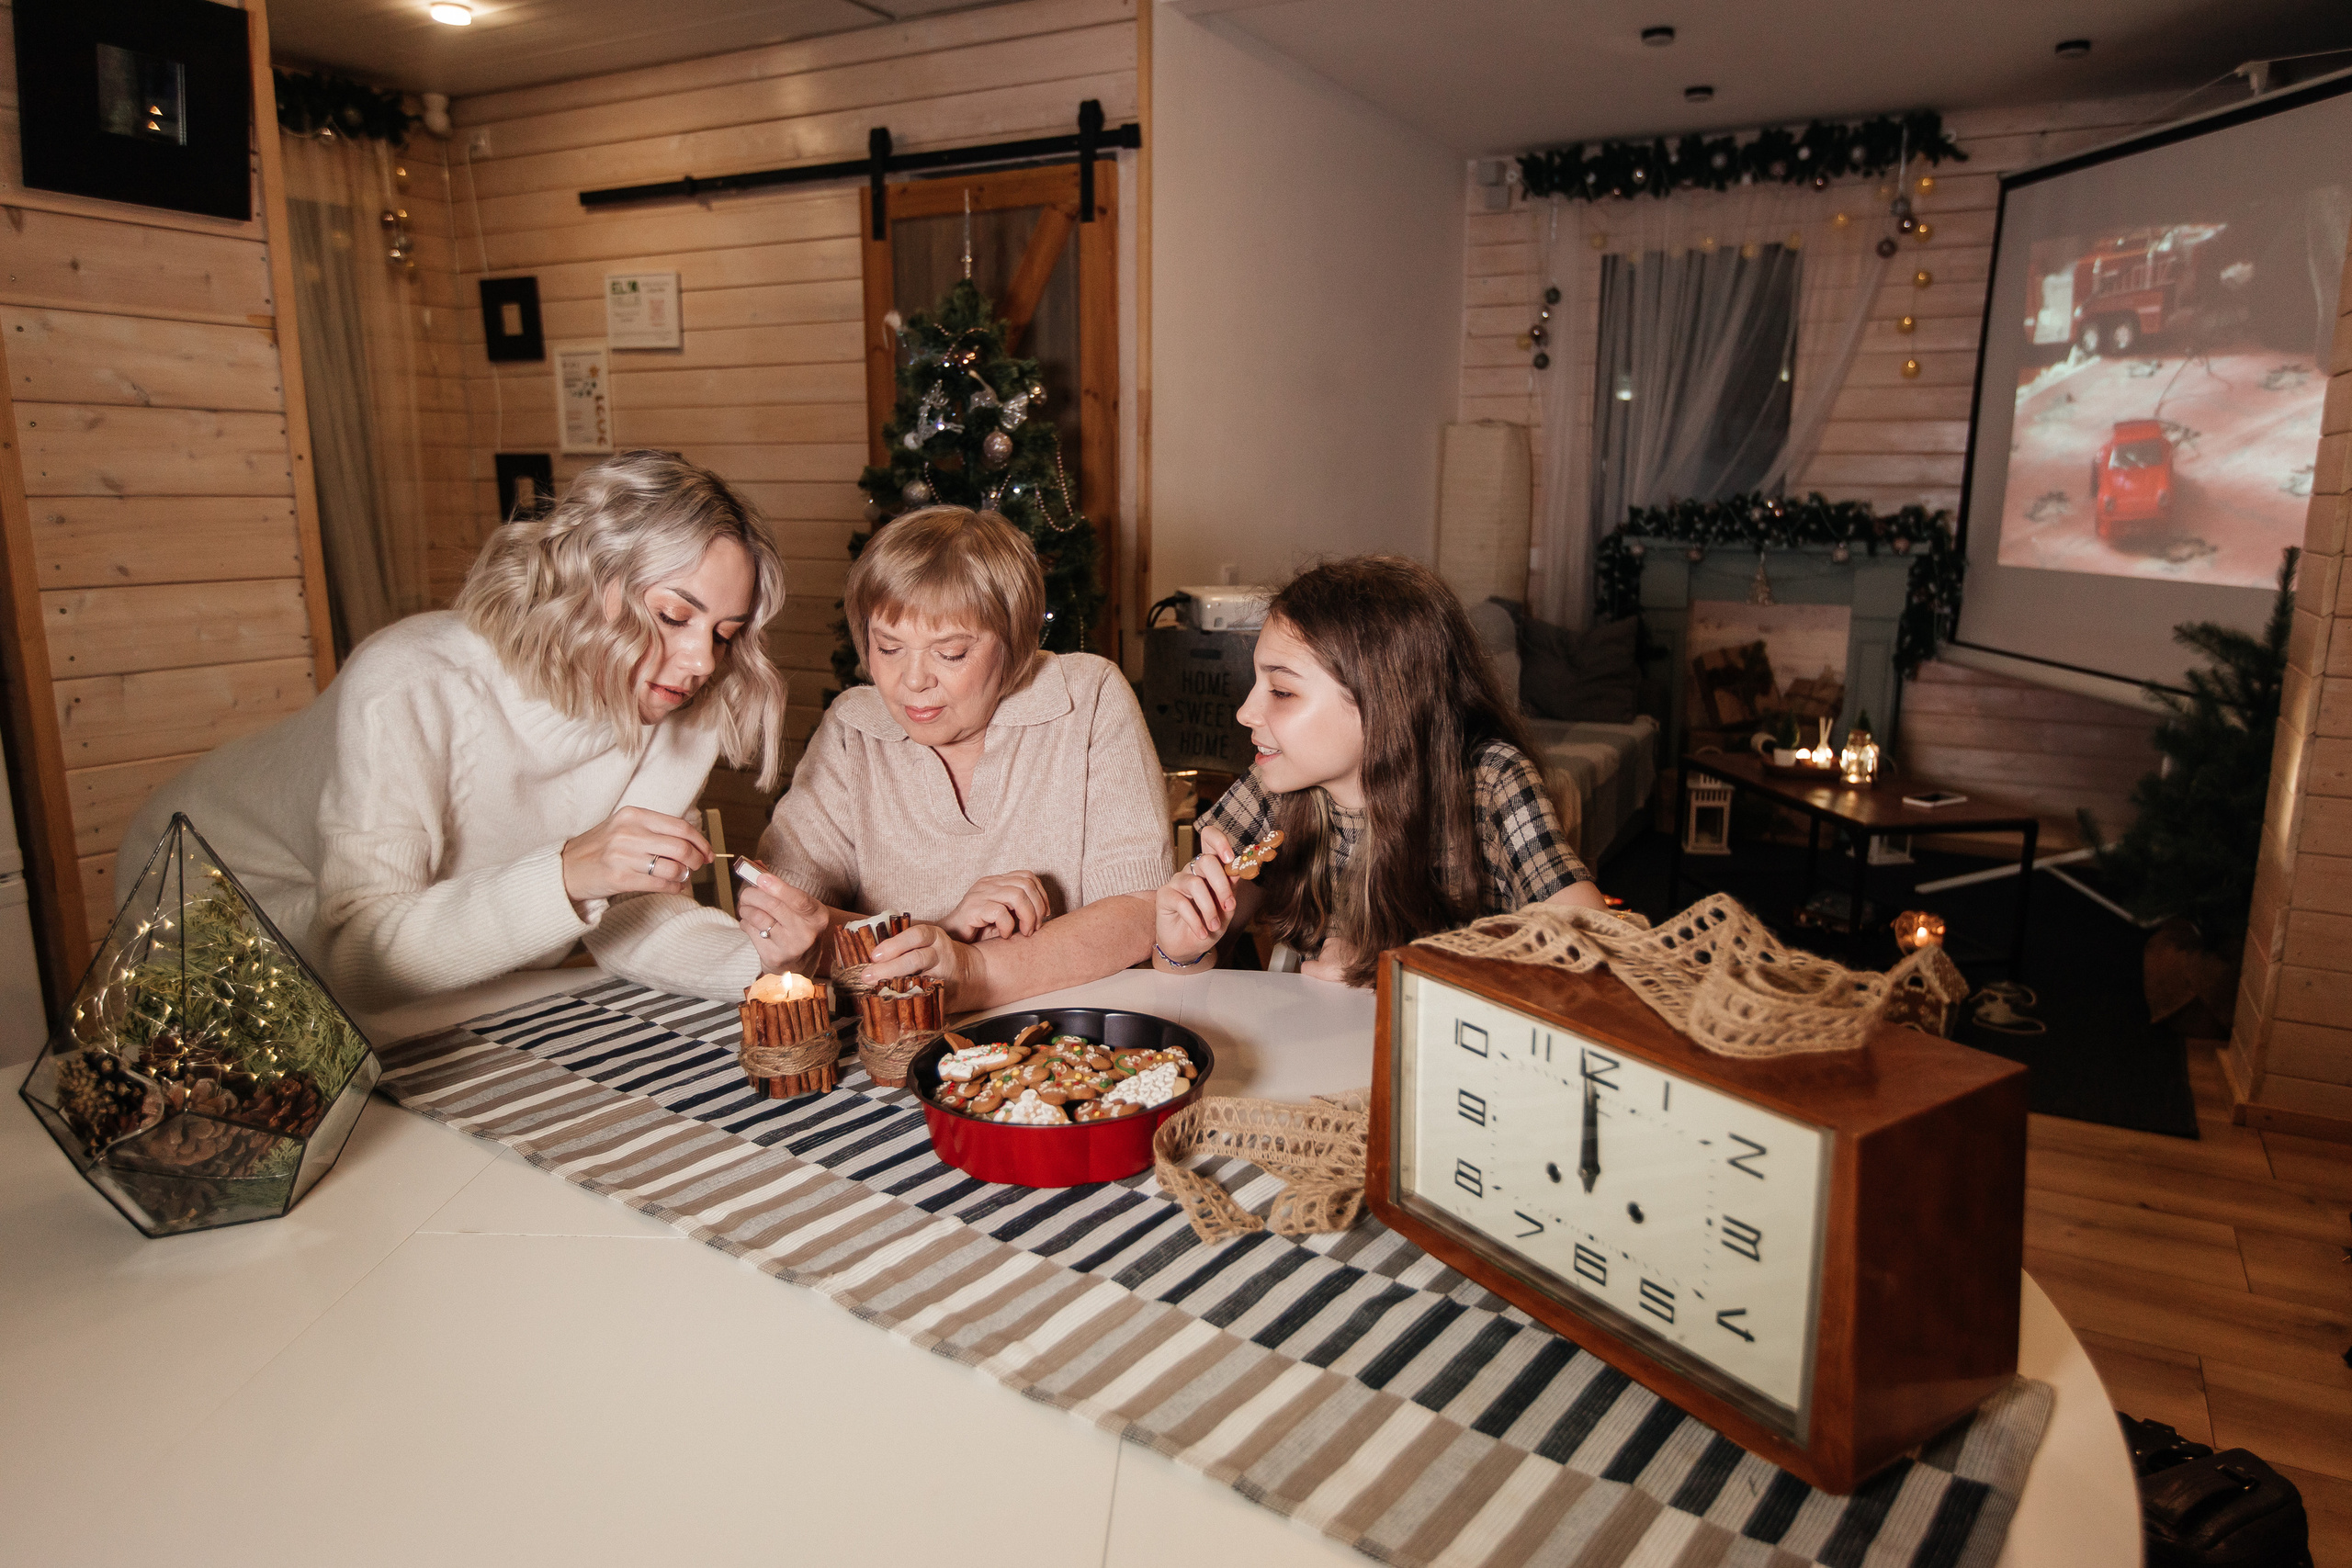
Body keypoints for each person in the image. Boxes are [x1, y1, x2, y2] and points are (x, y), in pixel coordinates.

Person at [117, 451, 793, 1010]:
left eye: (725, 634)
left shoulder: (681, 709)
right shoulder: (411, 682)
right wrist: (566, 873)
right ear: (593, 582)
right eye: (675, 616)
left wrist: (767, 962)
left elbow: (624, 919)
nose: (703, 661)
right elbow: (357, 956)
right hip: (210, 885)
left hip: (400, 960)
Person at [748, 506, 1169, 1010]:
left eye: (949, 653)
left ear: (1014, 642)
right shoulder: (852, 728)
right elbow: (791, 918)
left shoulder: (1088, 697)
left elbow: (1141, 914)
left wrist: (972, 969)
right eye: (888, 648)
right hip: (897, 1047)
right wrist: (939, 934)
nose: (913, 681)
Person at [1150, 554, 1604, 987]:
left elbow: (1597, 961)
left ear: (1384, 704)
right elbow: (1189, 983)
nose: (1245, 712)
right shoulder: (1275, 784)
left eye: (1282, 691)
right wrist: (1182, 949)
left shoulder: (1491, 783)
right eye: (1255, 683)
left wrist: (1396, 967)